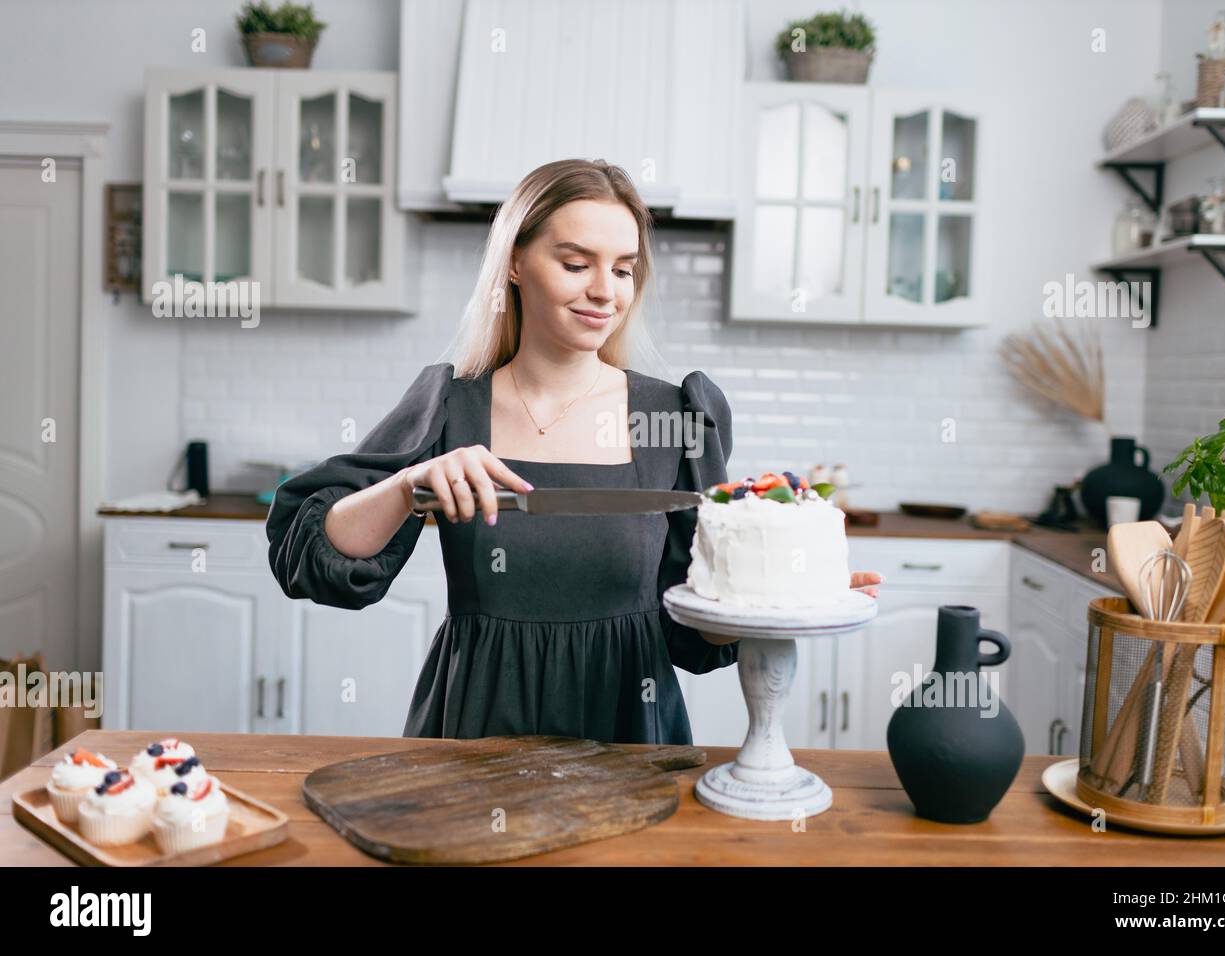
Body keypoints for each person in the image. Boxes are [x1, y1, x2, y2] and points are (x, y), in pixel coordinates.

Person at [266, 158, 881, 745]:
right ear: (514, 262)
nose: (604, 292)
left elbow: (693, 636)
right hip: (474, 728)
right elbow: (309, 554)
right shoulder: (451, 409)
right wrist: (409, 487)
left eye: (622, 268)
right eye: (575, 263)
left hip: (627, 733)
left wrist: (790, 595)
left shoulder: (674, 418)